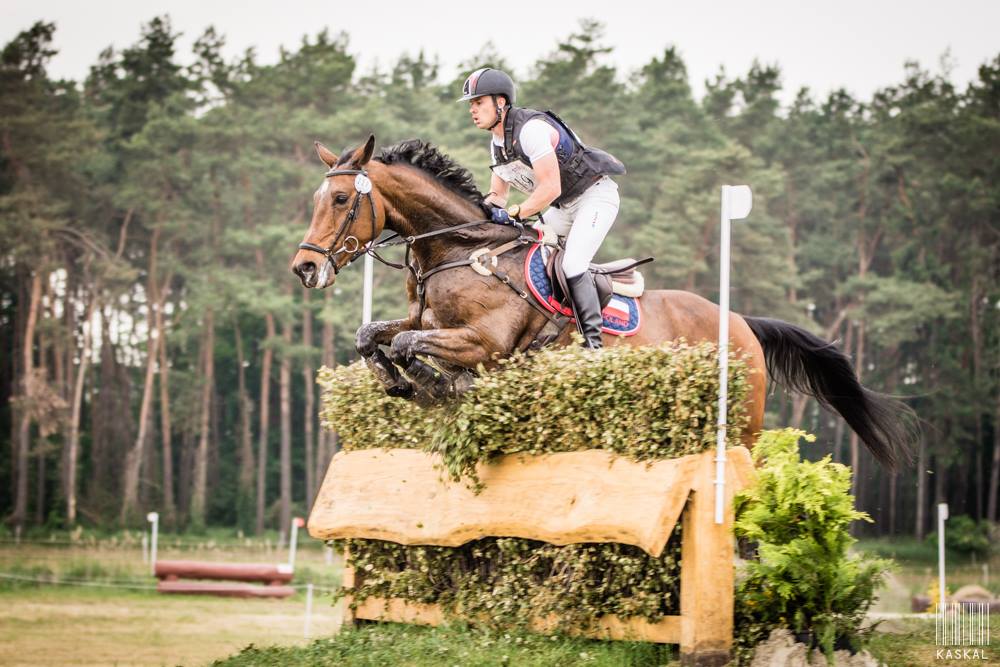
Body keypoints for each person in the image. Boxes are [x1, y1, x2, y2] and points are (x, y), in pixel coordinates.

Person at [458, 67, 626, 350]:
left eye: (478, 102)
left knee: (573, 264)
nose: (472, 110)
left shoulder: (531, 131)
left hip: (594, 197)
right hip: (563, 208)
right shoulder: (497, 143)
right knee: (524, 253)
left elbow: (550, 188)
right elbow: (497, 195)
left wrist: (515, 213)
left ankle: (593, 345)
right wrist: (473, 217)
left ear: (500, 102)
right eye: (471, 104)